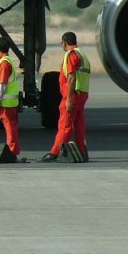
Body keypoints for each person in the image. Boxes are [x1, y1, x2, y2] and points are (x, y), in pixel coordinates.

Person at [39, 31, 91, 162]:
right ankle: (82, 152)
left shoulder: (71, 55)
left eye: (62, 43)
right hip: (82, 94)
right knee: (79, 125)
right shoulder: (82, 54)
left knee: (65, 125)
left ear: (65, 42)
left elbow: (71, 78)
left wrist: (69, 98)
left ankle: (55, 152)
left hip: (73, 94)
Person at [0, 36, 23, 163]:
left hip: (6, 103)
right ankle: (13, 151)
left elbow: (2, 84)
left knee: (10, 128)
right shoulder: (5, 61)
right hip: (8, 102)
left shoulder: (4, 63)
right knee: (11, 127)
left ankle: (11, 151)